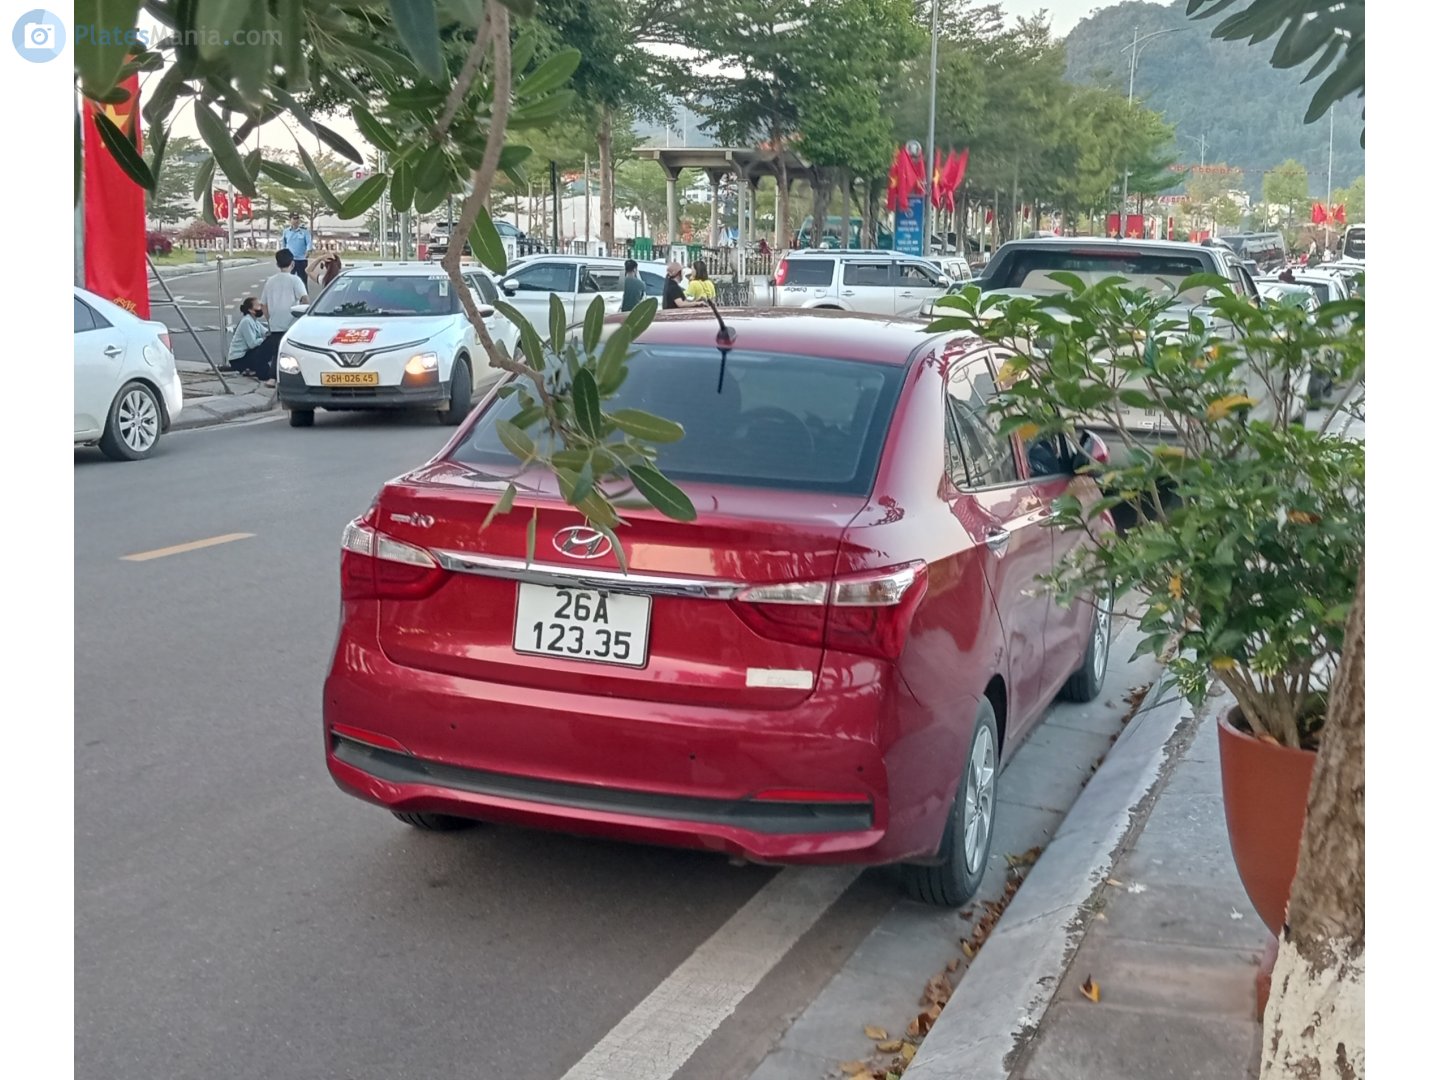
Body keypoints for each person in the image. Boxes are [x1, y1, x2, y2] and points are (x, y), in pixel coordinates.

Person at [258, 250, 309, 386]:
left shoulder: (270, 281)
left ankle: (272, 378)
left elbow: (263, 304)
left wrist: (270, 320)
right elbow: (305, 299)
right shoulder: (295, 280)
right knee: (292, 352)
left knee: (277, 352)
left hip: (275, 323)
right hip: (292, 322)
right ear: (292, 264)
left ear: (277, 264)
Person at [226, 297, 271, 379]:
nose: (261, 308)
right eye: (258, 306)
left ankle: (262, 371)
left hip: (247, 355)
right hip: (238, 359)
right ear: (251, 310)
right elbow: (252, 344)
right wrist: (265, 339)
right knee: (262, 351)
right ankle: (263, 373)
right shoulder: (246, 321)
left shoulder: (255, 321)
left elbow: (266, 332)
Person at [281, 212, 313, 280]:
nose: (296, 220)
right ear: (290, 220)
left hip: (301, 259)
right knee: (288, 279)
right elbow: (283, 243)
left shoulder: (305, 232)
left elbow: (309, 243)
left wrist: (308, 251)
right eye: (294, 218)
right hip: (290, 259)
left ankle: (303, 291)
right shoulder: (286, 231)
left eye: (298, 218)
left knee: (303, 280)